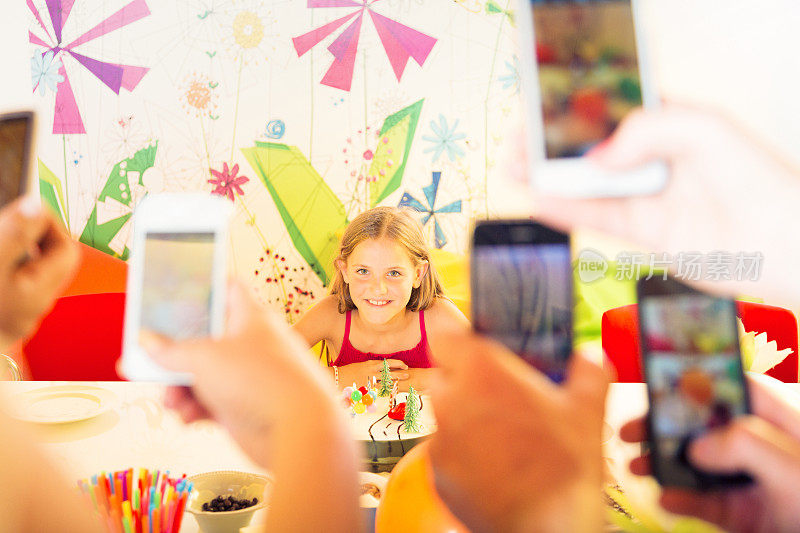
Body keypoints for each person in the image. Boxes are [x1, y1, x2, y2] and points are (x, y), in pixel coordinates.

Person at [293, 206, 469, 391]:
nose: (378, 289)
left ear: (418, 274)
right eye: (363, 271)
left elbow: (491, 374)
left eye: (393, 273)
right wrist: (341, 376)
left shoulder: (437, 315)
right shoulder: (332, 314)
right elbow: (265, 366)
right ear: (345, 271)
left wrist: (421, 378)